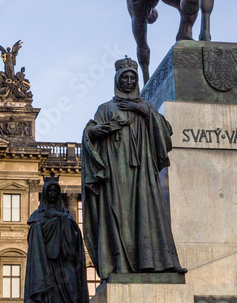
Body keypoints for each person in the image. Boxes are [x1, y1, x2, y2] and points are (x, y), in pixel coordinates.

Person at [81, 57, 185, 280]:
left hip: (142, 173)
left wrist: (142, 110)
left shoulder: (146, 108)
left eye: (132, 78)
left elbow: (166, 134)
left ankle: (152, 262)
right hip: (116, 175)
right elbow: (90, 133)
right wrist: (94, 132)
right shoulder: (105, 109)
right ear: (117, 80)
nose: (128, 81)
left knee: (146, 213)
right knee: (119, 215)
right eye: (124, 77)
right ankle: (120, 263)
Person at [24, 177, 89, 303]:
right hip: (45, 263)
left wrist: (61, 219)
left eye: (55, 191)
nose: (52, 194)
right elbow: (33, 236)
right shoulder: (37, 215)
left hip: (63, 260)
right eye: (50, 191)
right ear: (45, 193)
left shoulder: (66, 216)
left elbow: (74, 239)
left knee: (72, 293)